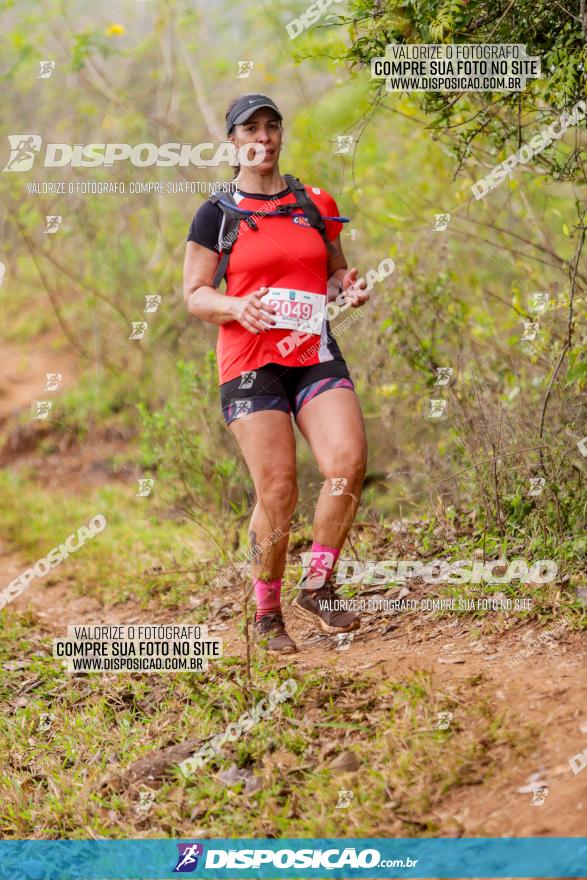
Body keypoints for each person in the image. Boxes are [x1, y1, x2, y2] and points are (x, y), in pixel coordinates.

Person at [183, 93, 369, 654]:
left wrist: (348, 288)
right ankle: (267, 610)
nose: (263, 139)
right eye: (250, 131)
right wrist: (235, 307)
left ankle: (319, 582)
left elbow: (334, 273)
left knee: (348, 461)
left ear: (281, 135)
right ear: (234, 142)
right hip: (250, 365)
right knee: (280, 491)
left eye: (271, 127)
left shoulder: (315, 202)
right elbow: (194, 295)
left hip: (313, 353)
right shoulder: (217, 214)